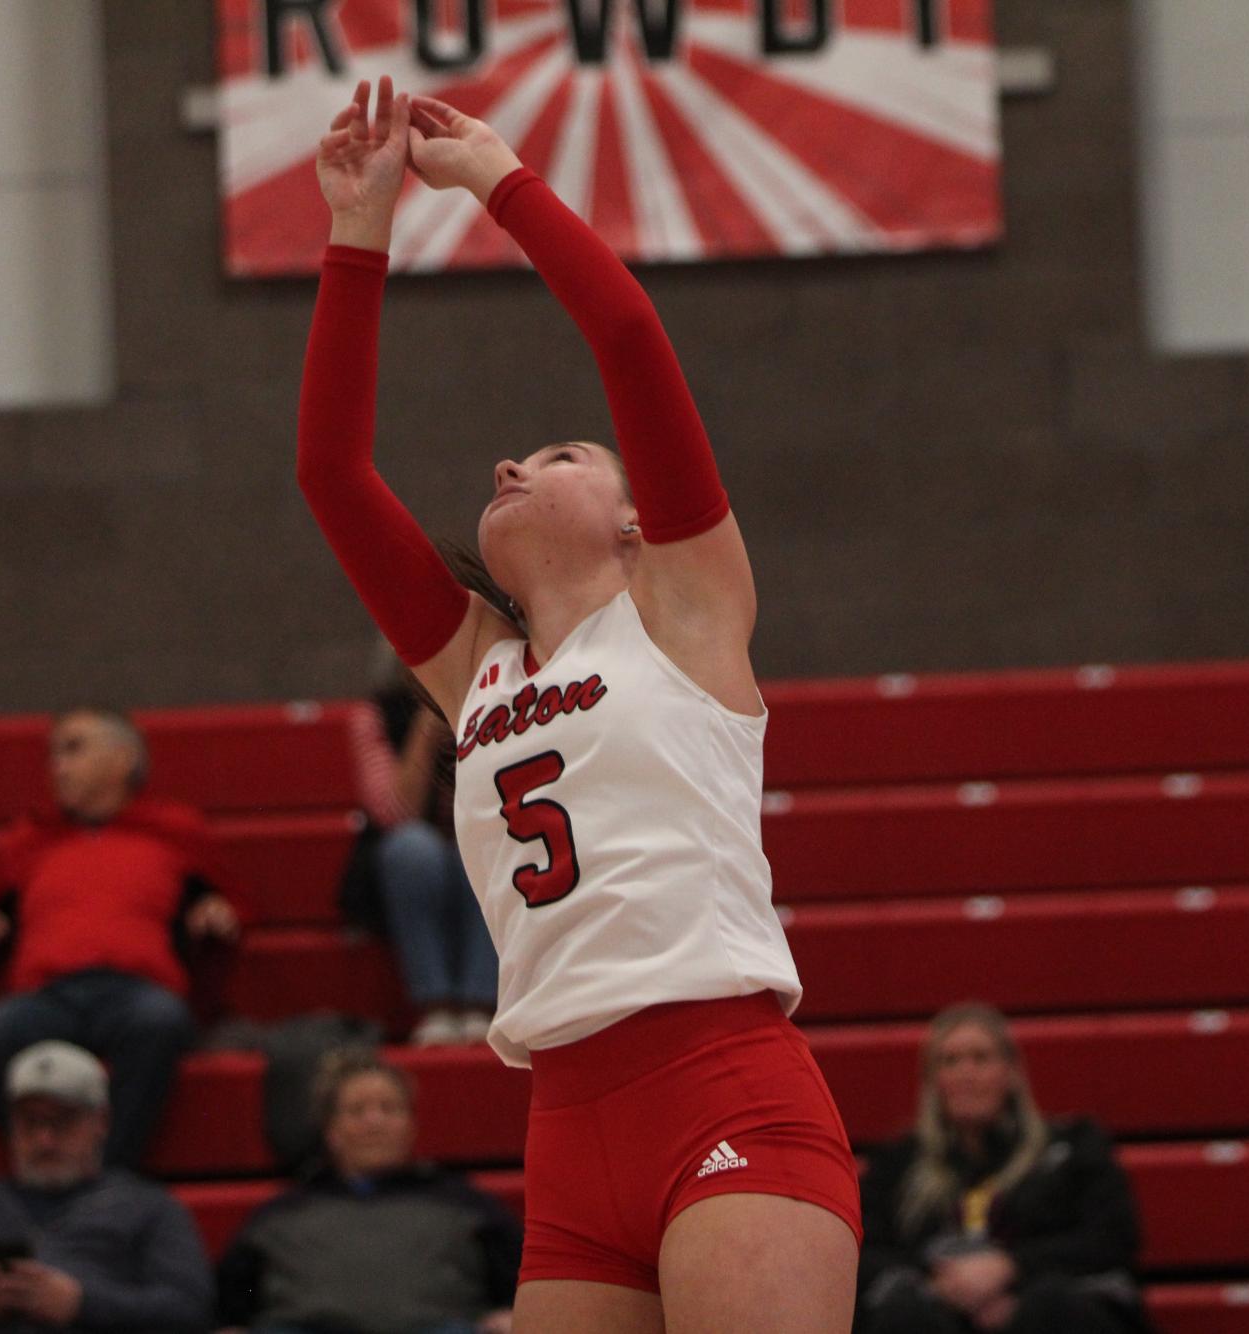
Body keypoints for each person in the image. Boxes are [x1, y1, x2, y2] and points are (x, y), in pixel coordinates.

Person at [296, 77, 859, 1332]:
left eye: (557, 455)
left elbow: (628, 338)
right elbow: (331, 474)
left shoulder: (683, 607)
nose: (509, 463)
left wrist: (500, 178)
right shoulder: (474, 670)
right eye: (513, 457)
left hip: (725, 1084)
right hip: (565, 1117)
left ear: (634, 518)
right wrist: (357, 230)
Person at [0, 707, 243, 1172]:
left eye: (73, 749)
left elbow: (221, 903)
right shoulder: (34, 839)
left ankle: (108, 1174)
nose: (58, 766)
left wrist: (214, 912)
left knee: (159, 1022)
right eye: (54, 754)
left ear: (123, 759)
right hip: (48, 994)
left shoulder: (172, 831)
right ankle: (39, 1165)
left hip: (136, 990)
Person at [0, 1040, 212, 1333]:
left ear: (101, 1122)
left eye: (61, 1121)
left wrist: (82, 1303)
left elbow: (190, 1311)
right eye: (29, 1122)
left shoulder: (149, 1209)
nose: (44, 1140)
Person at [855, 1005, 1151, 1334]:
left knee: (1051, 1307)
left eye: (981, 1058)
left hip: (1044, 1308)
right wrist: (942, 1284)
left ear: (1010, 1072)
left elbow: (1112, 1237)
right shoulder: (897, 1163)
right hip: (936, 1312)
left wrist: (1011, 1268)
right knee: (903, 1315)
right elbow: (865, 1250)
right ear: (933, 1080)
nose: (966, 1074)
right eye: (949, 1061)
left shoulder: (1072, 1148)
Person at [216, 1048, 520, 1333]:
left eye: (388, 1108)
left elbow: (516, 1286)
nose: (374, 1122)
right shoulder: (279, 1216)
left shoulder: (469, 1207)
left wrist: (511, 1315)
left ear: (410, 1124)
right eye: (357, 1110)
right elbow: (232, 1304)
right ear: (331, 1130)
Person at [342, 657, 498, 1045]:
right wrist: (429, 725)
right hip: (402, 870)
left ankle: (481, 1003)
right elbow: (395, 812)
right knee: (414, 848)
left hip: (481, 849)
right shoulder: (374, 714)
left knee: (485, 841)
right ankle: (436, 1005)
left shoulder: (501, 699)